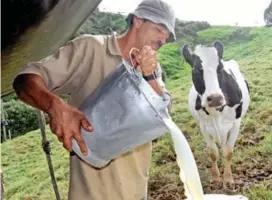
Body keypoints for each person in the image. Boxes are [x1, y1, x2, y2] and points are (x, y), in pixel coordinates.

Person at [13, 0, 176, 199]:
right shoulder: (91, 49)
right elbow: (25, 80)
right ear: (138, 20)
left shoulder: (152, 69)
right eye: (160, 29)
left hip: (137, 192)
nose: (163, 39)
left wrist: (149, 76)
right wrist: (55, 106)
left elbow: (163, 115)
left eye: (167, 37)